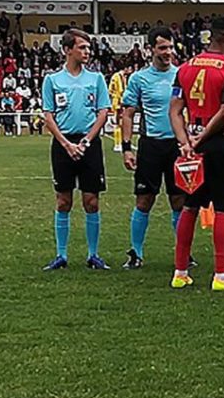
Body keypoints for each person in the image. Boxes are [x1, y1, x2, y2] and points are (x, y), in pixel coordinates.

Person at [169, 16, 224, 291]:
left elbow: (174, 109)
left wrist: (186, 141)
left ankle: (180, 272)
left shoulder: (185, 67)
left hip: (192, 142)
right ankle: (222, 275)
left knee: (190, 206)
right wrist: (203, 137)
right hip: (218, 143)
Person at [119, 27, 194, 270]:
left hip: (177, 146)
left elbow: (189, 110)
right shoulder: (139, 79)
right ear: (151, 49)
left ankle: (183, 254)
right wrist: (127, 148)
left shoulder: (182, 75)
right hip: (150, 145)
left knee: (179, 201)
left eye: (171, 47)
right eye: (162, 48)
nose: (168, 52)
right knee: (144, 200)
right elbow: (128, 114)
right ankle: (136, 252)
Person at [40, 29, 112, 271]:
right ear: (67, 50)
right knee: (63, 201)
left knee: (91, 201)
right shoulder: (52, 80)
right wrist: (66, 144)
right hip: (63, 144)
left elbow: (103, 112)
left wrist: (86, 142)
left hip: (89, 144)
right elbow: (48, 116)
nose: (87, 52)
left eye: (88, 48)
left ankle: (93, 255)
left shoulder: (96, 79)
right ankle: (61, 255)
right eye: (82, 47)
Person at [108, 63, 131, 152]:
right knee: (118, 123)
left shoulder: (120, 77)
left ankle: (119, 143)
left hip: (118, 102)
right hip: (118, 103)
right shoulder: (118, 77)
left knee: (120, 124)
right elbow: (117, 90)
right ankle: (117, 144)